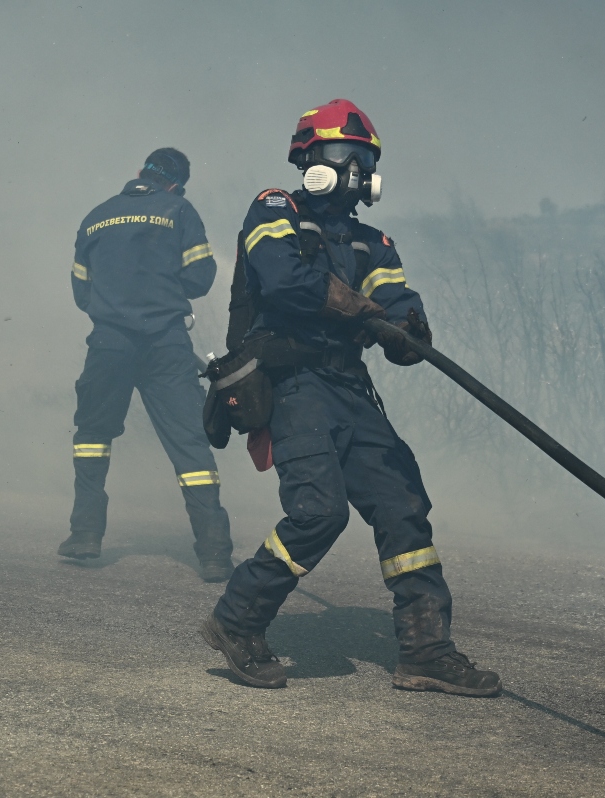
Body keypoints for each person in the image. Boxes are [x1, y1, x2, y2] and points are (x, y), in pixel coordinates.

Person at [200, 100, 501, 695]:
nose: (358, 171)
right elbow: (285, 281)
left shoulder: (372, 241)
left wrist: (410, 331)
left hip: (349, 386)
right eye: (349, 156)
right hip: (293, 382)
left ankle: (425, 652)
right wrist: (359, 307)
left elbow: (395, 302)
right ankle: (236, 621)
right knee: (319, 514)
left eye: (365, 160)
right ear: (312, 159)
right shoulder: (273, 208)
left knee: (403, 507)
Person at [59, 148, 234, 582]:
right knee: (191, 445)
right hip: (165, 345)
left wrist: (118, 304)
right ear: (175, 183)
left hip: (109, 345)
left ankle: (84, 534)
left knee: (93, 436)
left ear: (141, 174)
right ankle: (213, 553)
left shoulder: (96, 216)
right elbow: (200, 277)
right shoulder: (179, 209)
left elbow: (82, 293)